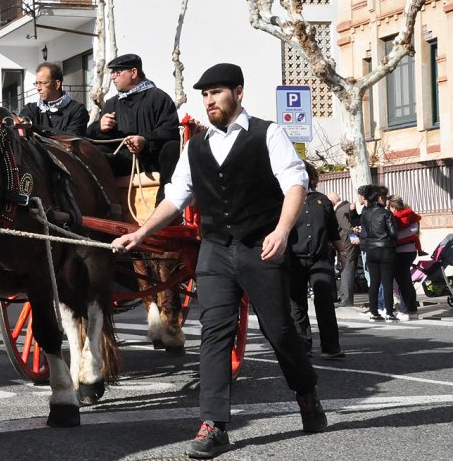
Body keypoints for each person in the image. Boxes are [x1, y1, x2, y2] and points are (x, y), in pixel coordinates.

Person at [111, 63, 326, 458]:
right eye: (205, 94)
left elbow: (296, 182)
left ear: (238, 92)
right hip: (215, 249)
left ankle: (306, 392)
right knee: (213, 334)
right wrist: (141, 233)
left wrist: (281, 230)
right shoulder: (195, 146)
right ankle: (214, 424)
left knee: (279, 331)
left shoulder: (268, 133)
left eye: (217, 92)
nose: (209, 100)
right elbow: (176, 198)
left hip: (261, 246)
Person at [86, 53, 181, 204]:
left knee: (172, 148)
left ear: (134, 73)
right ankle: (100, 203)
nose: (112, 77)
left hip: (152, 159)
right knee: (96, 153)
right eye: (112, 73)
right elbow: (94, 137)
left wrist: (145, 140)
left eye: (117, 72)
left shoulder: (158, 98)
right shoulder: (112, 103)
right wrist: (100, 127)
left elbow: (170, 130)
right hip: (124, 161)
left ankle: (164, 203)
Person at [288, 162, 345, 359]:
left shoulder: (323, 201)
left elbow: (332, 231)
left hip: (320, 258)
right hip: (293, 259)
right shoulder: (284, 200)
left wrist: (342, 253)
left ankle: (331, 347)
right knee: (297, 304)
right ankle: (302, 346)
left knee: (325, 302)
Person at [360, 186, 398, 322]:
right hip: (386, 249)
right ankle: (389, 312)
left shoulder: (365, 213)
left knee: (374, 282)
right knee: (387, 282)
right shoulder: (386, 213)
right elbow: (394, 233)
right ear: (380, 198)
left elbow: (364, 230)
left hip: (370, 249)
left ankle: (374, 312)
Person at [19, 62, 89, 136]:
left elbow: (71, 142)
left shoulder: (77, 110)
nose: (38, 88)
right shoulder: (30, 109)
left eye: (42, 83)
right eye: (36, 83)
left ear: (56, 84)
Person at [388, 195, 420, 320]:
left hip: (401, 251)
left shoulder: (397, 217)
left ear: (393, 207)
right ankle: (411, 309)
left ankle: (406, 309)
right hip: (410, 250)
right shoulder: (411, 215)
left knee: (403, 282)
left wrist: (393, 237)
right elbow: (413, 231)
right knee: (406, 281)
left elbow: (410, 231)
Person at [328, 192, 360, 307]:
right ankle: (345, 297)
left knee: (347, 269)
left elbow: (347, 228)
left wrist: (353, 233)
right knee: (348, 268)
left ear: (332, 202)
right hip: (351, 243)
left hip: (346, 244)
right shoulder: (348, 207)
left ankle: (346, 299)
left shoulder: (340, 211)